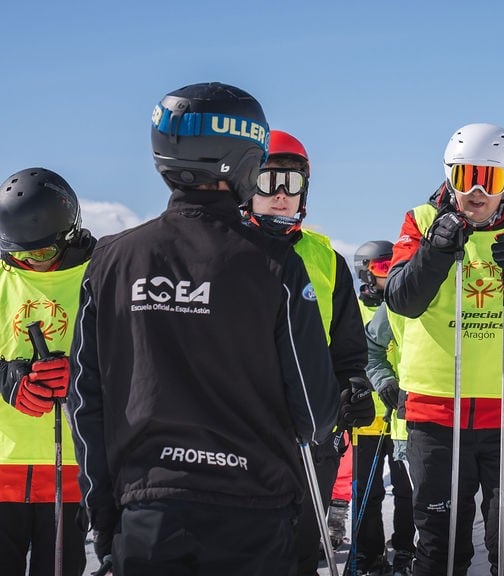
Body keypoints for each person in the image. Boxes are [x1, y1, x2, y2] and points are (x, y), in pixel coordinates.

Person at [67, 82, 355, 575]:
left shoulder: (112, 259)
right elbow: (313, 412)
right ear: (244, 159)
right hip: (253, 513)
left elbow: (85, 399)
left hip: (147, 511)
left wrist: (104, 515)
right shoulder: (276, 264)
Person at [385, 122, 504, 576]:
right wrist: (434, 251)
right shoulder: (422, 221)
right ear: (448, 175)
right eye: (464, 176)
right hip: (437, 412)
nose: (475, 192)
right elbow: (401, 299)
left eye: (488, 179)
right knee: (440, 548)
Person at [242, 128, 375, 576]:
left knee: (299, 550)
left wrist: (353, 386)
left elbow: (348, 349)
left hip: (311, 432)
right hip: (244, 429)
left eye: (291, 183)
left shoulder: (326, 258)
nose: (281, 195)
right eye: (267, 182)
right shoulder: (225, 248)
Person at [0, 168, 94, 576]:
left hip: (72, 470)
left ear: (69, 234)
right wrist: (7, 378)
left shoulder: (101, 275)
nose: (29, 265)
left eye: (39, 255)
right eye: (18, 254)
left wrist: (83, 372)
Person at [350, 239, 416, 576]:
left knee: (407, 489)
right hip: (368, 415)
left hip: (403, 413)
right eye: (381, 268)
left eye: (393, 266)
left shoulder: (406, 302)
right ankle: (369, 553)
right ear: (365, 273)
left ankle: (406, 548)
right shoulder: (353, 309)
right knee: (368, 489)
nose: (389, 274)